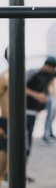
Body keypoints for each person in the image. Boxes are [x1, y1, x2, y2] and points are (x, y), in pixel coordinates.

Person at [0, 48, 9, 187]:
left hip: (19, 122)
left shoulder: (21, 75)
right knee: (2, 165)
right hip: (5, 122)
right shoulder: (3, 77)